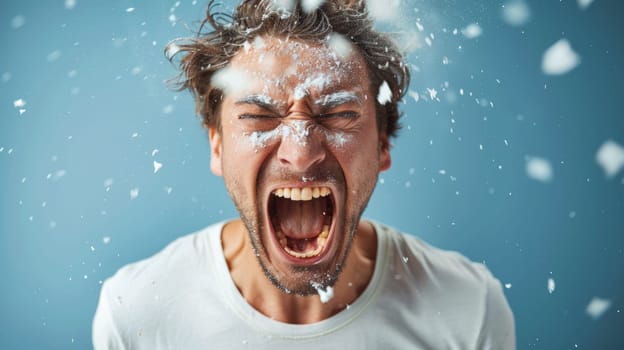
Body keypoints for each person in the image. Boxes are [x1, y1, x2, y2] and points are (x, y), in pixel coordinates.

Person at [93, 0, 516, 348]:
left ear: (383, 143)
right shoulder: (136, 312)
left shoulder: (468, 306)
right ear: (217, 145)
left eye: (337, 114)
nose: (300, 154)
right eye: (259, 115)